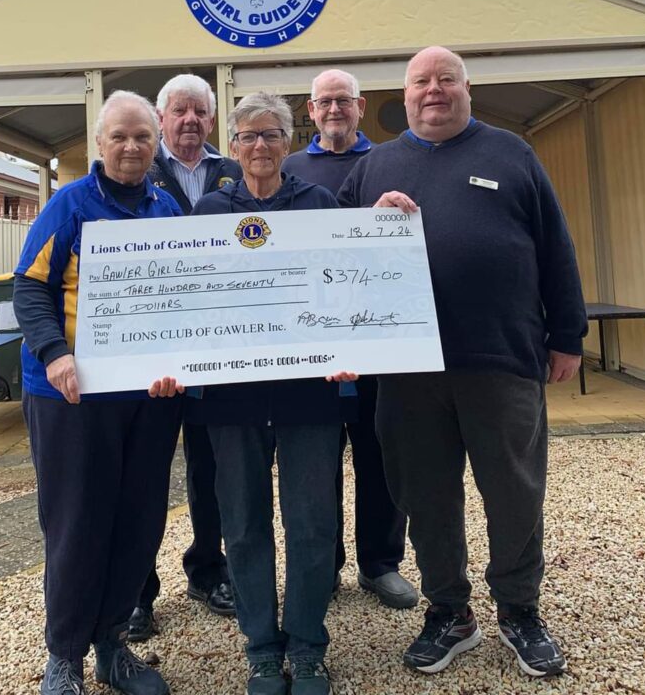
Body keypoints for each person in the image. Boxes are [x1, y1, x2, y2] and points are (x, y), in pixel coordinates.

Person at [338, 47, 587, 679]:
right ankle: (449, 611)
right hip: (409, 369)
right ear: (405, 95)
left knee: (514, 491)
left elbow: (555, 245)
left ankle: (519, 611)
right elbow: (332, 256)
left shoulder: (512, 154)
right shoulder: (376, 167)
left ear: (466, 88)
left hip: (501, 357)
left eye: (446, 80)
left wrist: (568, 333)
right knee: (426, 495)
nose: (434, 91)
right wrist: (369, 226)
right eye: (421, 82)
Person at [14, 90, 184, 695]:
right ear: (100, 144)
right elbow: (28, 291)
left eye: (143, 136)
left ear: (157, 140)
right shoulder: (68, 206)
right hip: (72, 397)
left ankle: (113, 643)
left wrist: (178, 364)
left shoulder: (167, 210)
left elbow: (182, 303)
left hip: (148, 398)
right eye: (120, 137)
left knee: (138, 520)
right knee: (76, 522)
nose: (133, 147)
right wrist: (55, 354)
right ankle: (64, 655)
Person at [188, 92, 358, 695]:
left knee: (313, 524)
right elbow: (191, 299)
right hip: (232, 397)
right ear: (231, 147)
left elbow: (343, 289)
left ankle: (308, 646)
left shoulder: (319, 202)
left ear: (291, 141)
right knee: (244, 524)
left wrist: (348, 352)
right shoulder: (209, 210)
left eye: (272, 134)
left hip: (308, 392)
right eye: (248, 136)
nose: (260, 146)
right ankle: (262, 648)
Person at [282, 69, 417, 610]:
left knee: (381, 454)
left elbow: (405, 244)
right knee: (315, 461)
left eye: (344, 100)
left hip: (375, 341)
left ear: (361, 106)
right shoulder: (290, 167)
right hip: (312, 342)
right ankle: (325, 563)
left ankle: (381, 564)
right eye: (323, 102)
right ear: (309, 112)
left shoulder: (389, 161)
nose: (334, 109)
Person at [128, 74, 240, 641]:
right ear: (161, 116)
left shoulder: (235, 172)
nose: (191, 120)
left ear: (212, 121)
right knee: (144, 473)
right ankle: (137, 592)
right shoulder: (137, 171)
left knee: (210, 469)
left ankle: (207, 569)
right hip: (149, 352)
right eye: (180, 111)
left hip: (216, 352)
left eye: (200, 111)